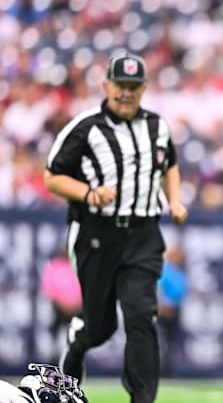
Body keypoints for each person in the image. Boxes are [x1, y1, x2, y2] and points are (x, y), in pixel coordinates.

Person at [44, 52, 188, 403]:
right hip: (97, 234)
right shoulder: (86, 126)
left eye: (133, 87)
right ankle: (77, 348)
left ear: (143, 89)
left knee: (141, 314)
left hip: (142, 233)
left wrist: (176, 199)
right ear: (107, 86)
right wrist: (88, 193)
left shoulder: (157, 126)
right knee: (99, 326)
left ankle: (142, 399)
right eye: (120, 86)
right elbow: (52, 176)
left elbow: (169, 163)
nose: (126, 93)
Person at [40, 248, 82, 364]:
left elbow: (80, 288)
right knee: (56, 336)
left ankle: (72, 361)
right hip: (58, 308)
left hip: (74, 309)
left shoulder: (75, 266)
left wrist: (74, 304)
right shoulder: (54, 266)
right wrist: (62, 304)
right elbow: (49, 288)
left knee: (74, 336)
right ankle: (53, 362)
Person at [156, 246, 188, 376]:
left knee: (172, 342)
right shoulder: (165, 271)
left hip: (175, 312)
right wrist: (161, 306)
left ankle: (168, 369)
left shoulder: (180, 273)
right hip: (163, 312)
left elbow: (181, 294)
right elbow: (158, 290)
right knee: (160, 341)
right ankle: (158, 369)